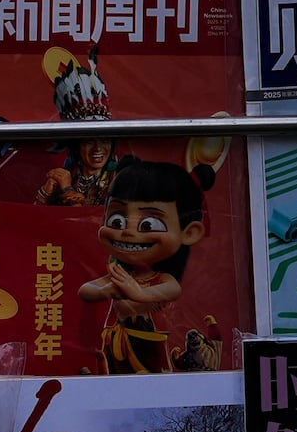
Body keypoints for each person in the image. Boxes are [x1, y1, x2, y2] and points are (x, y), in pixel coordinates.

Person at [78, 157, 213, 375]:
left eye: (148, 224)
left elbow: (172, 290)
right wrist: (109, 289)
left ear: (189, 232)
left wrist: (138, 292)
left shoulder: (162, 279)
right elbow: (86, 290)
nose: (128, 232)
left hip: (149, 343)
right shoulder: (120, 275)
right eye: (117, 221)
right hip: (115, 340)